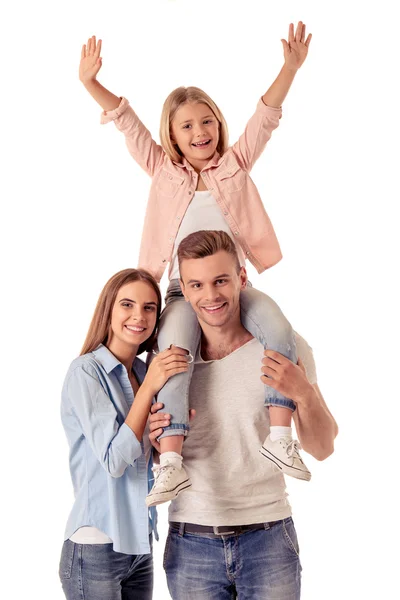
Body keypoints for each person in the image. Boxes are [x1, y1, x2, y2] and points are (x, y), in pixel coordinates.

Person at [78, 22, 313, 505]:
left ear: (218, 126)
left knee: (279, 329)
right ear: (173, 136)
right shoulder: (164, 171)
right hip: (184, 294)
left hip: (235, 288)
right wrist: (91, 83)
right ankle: (170, 463)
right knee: (172, 359)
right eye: (186, 126)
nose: (199, 132)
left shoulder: (235, 164)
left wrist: (288, 69)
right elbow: (127, 121)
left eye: (206, 122)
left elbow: (265, 117)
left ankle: (280, 437)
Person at [149, 230, 338, 599]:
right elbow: (147, 456)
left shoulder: (285, 348)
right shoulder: (167, 366)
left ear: (241, 278)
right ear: (184, 292)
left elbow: (323, 446)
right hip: (192, 541)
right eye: (197, 285)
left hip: (268, 538)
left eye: (221, 280)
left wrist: (301, 391)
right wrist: (155, 444)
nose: (211, 296)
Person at [59, 268, 189, 600]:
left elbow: (144, 458)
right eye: (127, 305)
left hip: (140, 544)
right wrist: (149, 389)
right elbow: (114, 461)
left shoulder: (145, 372)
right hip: (95, 547)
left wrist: (163, 439)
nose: (138, 316)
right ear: (109, 310)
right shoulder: (86, 372)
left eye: (149, 308)